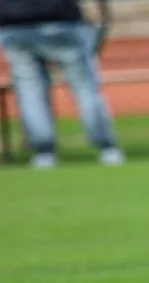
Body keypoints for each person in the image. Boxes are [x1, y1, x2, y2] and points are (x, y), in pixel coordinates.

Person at [0, 0, 123, 169]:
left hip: (15, 24)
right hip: (61, 19)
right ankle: (107, 148)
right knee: (84, 87)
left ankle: (44, 152)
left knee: (30, 91)